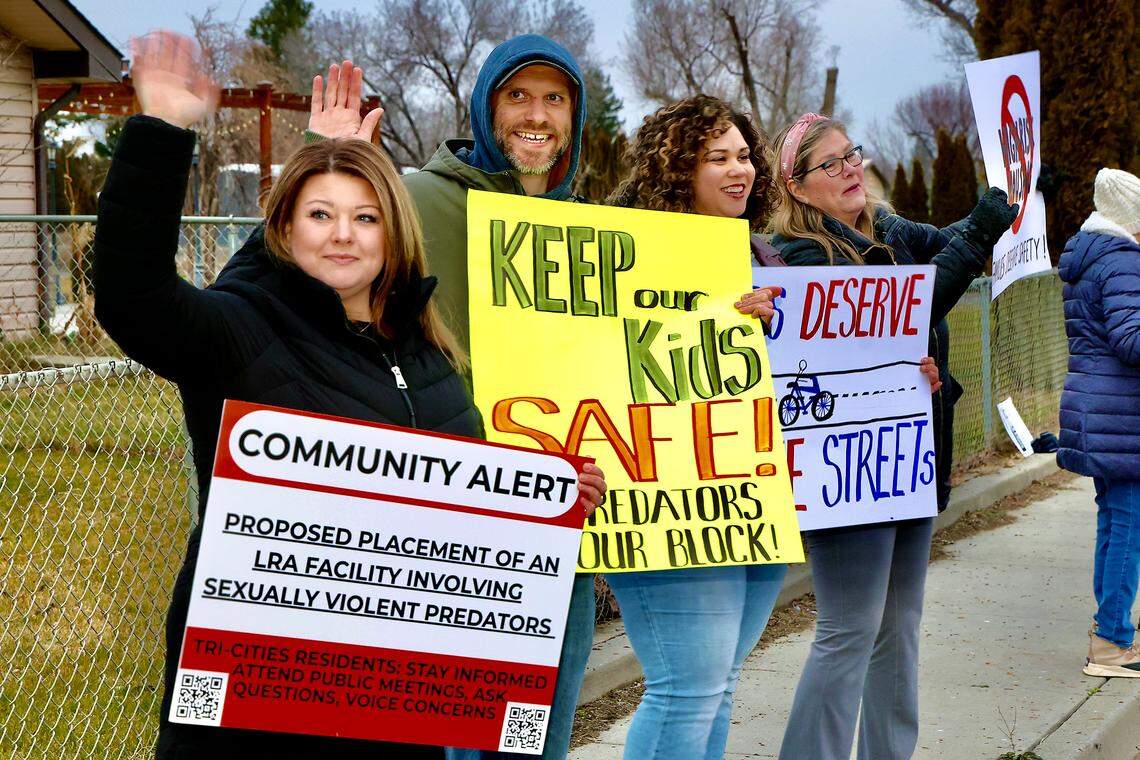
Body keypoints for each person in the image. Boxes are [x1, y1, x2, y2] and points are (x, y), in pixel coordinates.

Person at [93, 31, 605, 758]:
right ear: (286, 227)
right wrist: (161, 130)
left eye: (365, 217)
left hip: (393, 710)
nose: (343, 236)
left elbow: (466, 513)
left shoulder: (429, 359)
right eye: (320, 214)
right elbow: (132, 296)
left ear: (393, 233)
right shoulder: (242, 334)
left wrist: (550, 501)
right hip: (253, 714)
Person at [300, 34, 594, 760]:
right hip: (460, 529)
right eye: (517, 96)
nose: (537, 115)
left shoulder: (588, 224)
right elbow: (312, 272)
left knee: (539, 742)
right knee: (476, 748)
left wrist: (729, 312)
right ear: (485, 106)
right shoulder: (419, 200)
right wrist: (321, 158)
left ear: (574, 119)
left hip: (565, 526)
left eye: (555, 99)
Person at [768, 112, 1017, 760]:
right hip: (845, 474)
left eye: (853, 153)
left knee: (899, 627)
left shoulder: (885, 228)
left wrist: (1004, 199)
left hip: (908, 460)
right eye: (832, 164)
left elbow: (946, 248)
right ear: (797, 187)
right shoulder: (798, 255)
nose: (852, 168)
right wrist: (988, 225)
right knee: (849, 629)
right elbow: (921, 301)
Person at [602, 94, 789, 760]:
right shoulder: (623, 257)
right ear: (677, 170)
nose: (738, 169)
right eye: (717, 158)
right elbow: (605, 363)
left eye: (744, 155)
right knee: (688, 686)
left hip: (751, 497)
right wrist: (710, 323)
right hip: (667, 500)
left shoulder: (761, 255)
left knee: (719, 685)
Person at [1056, 167, 1140, 678]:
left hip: (1098, 406)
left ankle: (1109, 629)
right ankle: (1111, 640)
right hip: (1121, 412)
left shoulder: (1091, 257)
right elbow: (1132, 339)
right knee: (1127, 524)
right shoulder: (1124, 261)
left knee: (1115, 520)